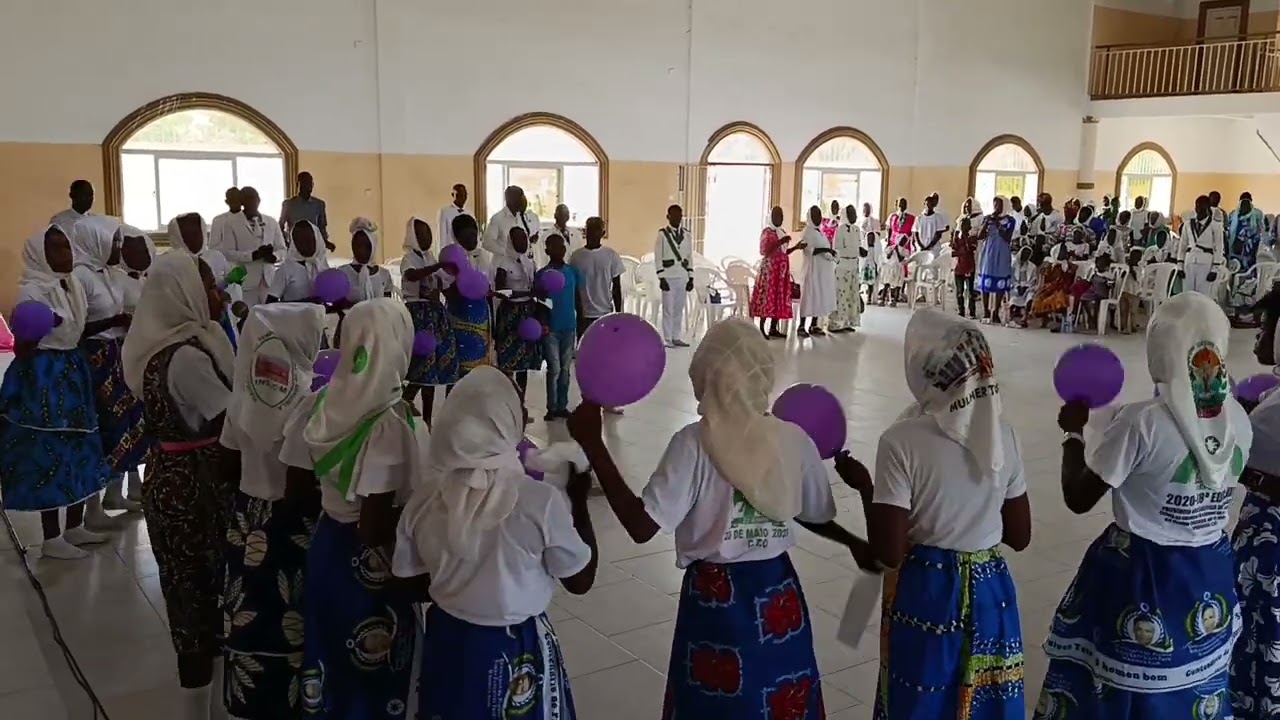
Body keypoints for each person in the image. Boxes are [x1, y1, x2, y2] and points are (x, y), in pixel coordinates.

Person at [566, 318, 876, 719]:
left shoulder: (693, 444)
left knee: (715, 702)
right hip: (776, 592)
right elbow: (808, 512)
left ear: (705, 376)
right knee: (782, 693)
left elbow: (642, 527)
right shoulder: (793, 440)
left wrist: (594, 445)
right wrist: (851, 540)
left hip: (715, 597)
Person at [1034, 292, 1250, 719]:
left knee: (1124, 692)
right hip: (1210, 570)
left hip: (1142, 575)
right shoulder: (1239, 420)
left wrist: (1073, 435)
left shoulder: (1142, 422)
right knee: (1192, 690)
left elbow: (1078, 497)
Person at [844, 309, 1030, 718]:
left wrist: (865, 489)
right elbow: (1019, 535)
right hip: (990, 590)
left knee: (922, 698)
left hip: (929, 591)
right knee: (985, 699)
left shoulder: (901, 440)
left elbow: (890, 553)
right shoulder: (1004, 434)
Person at [394, 366, 598, 719]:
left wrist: (462, 582)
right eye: (518, 409)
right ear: (503, 425)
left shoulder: (424, 501)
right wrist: (578, 500)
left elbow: (408, 581)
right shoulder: (540, 502)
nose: (526, 415)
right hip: (516, 649)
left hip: (448, 639)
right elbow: (580, 579)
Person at [280, 299, 422, 719]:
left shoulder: (320, 403)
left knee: (330, 660)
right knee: (376, 668)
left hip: (327, 549)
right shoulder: (389, 422)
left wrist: (335, 501)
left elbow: (295, 492)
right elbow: (373, 526)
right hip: (374, 565)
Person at [121, 252, 239, 720]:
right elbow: (231, 421)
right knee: (200, 603)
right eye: (207, 285)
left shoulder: (160, 346)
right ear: (184, 294)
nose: (217, 294)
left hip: (170, 478)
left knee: (193, 600)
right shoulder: (187, 357)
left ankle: (207, 706)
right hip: (197, 487)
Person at [219, 303, 326, 720]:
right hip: (292, 528)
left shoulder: (242, 398)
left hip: (248, 523)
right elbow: (303, 485)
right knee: (291, 623)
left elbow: (224, 467)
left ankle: (248, 704)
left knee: (249, 613)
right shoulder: (309, 402)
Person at [0, 225, 110, 559]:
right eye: (57, 249)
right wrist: (39, 327)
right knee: (51, 449)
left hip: (72, 366)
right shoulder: (32, 290)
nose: (66, 255)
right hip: (44, 373)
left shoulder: (72, 283)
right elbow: (24, 344)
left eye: (67, 247)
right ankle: (51, 537)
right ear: (39, 254)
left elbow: (78, 327)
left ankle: (75, 525)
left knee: (81, 444)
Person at [72, 216, 148, 517]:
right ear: (96, 242)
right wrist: (114, 322)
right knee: (103, 425)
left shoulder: (107, 273)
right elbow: (77, 325)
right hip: (94, 357)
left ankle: (115, 494)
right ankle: (93, 504)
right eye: (114, 242)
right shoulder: (82, 276)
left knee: (125, 422)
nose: (119, 248)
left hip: (115, 352)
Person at [1230, 287, 1280, 716]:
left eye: (1265, 330)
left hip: (1268, 548)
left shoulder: (1272, 412)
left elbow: (1228, 465)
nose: (1257, 340)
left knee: (1259, 639)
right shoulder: (1271, 400)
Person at [401, 216, 458, 423]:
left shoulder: (430, 257)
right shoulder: (409, 258)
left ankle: (426, 418)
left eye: (428, 233)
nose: (427, 237)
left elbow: (440, 283)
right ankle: (406, 396)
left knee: (432, 369)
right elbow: (413, 276)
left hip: (434, 313)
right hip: (418, 314)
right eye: (422, 233)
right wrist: (437, 267)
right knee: (422, 362)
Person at [493, 226, 544, 412]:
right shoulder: (503, 264)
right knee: (508, 361)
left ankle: (520, 405)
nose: (523, 242)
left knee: (524, 363)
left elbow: (536, 286)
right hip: (510, 314)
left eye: (525, 238)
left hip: (528, 312)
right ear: (511, 242)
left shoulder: (530, 263)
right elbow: (500, 291)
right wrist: (527, 292)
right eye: (519, 239)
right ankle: (507, 406)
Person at [210, 186, 287, 307]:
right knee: (247, 317)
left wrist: (274, 257)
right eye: (246, 199)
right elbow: (228, 253)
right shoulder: (231, 223)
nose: (251, 202)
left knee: (269, 315)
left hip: (269, 280)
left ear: (259, 200)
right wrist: (252, 255)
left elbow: (282, 249)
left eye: (253, 199)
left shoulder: (271, 222)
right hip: (245, 280)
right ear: (241, 202)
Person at [538, 233, 582, 420]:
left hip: (569, 326)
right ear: (547, 251)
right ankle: (551, 407)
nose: (560, 250)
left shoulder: (572, 272)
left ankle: (562, 406)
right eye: (555, 247)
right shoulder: (542, 275)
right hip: (551, 328)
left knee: (565, 368)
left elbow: (577, 298)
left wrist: (580, 323)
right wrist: (543, 323)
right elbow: (540, 302)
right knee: (554, 368)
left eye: (562, 246)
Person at [445, 213, 493, 380]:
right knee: (458, 365)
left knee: (479, 365)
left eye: (474, 235)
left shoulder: (485, 256)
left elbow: (488, 285)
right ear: (457, 238)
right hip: (460, 314)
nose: (472, 240)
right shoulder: (451, 258)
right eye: (466, 237)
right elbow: (446, 288)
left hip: (480, 314)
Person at [749, 206, 799, 339]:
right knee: (768, 298)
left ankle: (773, 328)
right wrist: (780, 242)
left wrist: (795, 247)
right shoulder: (767, 232)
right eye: (776, 216)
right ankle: (761, 328)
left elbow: (783, 252)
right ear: (771, 217)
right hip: (770, 271)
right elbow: (764, 251)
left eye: (781, 216)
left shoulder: (781, 231)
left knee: (778, 299)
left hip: (781, 272)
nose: (779, 219)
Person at [654, 204, 692, 348]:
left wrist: (691, 276)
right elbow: (658, 257)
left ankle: (676, 336)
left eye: (680, 215)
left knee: (679, 307)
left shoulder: (687, 235)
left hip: (682, 275)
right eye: (674, 215)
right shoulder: (663, 234)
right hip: (668, 276)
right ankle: (667, 337)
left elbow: (689, 257)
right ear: (668, 216)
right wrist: (661, 277)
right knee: (668, 308)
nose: (677, 218)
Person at [976, 196, 1017, 324]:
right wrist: (986, 223)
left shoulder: (1010, 220)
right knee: (986, 281)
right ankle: (986, 311)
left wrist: (998, 223)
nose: (996, 208)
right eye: (994, 205)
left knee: (1000, 281)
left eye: (998, 205)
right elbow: (980, 236)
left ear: (1004, 206)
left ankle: (995, 312)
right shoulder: (988, 218)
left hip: (1003, 252)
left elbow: (1007, 237)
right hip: (989, 251)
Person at [798, 205, 837, 337]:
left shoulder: (819, 232)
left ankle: (814, 324)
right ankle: (802, 326)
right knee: (808, 296)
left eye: (819, 215)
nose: (818, 218)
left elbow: (825, 248)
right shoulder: (807, 232)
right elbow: (810, 250)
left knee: (818, 296)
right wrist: (826, 251)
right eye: (815, 215)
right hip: (811, 270)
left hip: (821, 271)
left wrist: (831, 253)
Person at [266, 220, 327, 304]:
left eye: (308, 239)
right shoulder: (286, 269)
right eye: (298, 240)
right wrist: (303, 302)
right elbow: (270, 303)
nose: (304, 244)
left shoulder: (323, 267)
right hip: (291, 316)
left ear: (317, 239)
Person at [1177, 195, 1225, 296]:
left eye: (1202, 207)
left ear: (1208, 208)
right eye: (1197, 207)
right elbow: (1183, 245)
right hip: (1189, 261)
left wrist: (1215, 269)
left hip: (1206, 263)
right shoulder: (1188, 224)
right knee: (1187, 293)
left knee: (1203, 295)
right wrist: (1180, 265)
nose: (1199, 210)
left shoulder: (1215, 226)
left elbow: (1219, 247)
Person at [339, 218, 393, 302]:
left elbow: (387, 306)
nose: (360, 251)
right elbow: (337, 306)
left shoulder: (384, 274)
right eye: (357, 245)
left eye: (366, 246)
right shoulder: (343, 273)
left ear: (373, 247)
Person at [829, 204, 863, 333]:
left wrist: (860, 251)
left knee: (851, 294)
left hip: (854, 265)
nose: (855, 216)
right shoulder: (841, 229)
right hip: (843, 265)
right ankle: (836, 323)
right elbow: (837, 249)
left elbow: (858, 245)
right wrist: (851, 251)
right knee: (841, 295)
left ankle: (848, 321)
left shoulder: (856, 229)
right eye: (852, 214)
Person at [483, 185, 540, 258]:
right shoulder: (498, 219)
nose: (523, 201)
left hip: (521, 264)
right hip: (503, 265)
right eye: (520, 198)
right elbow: (487, 243)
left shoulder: (522, 217)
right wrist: (507, 252)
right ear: (511, 200)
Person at [1030, 244, 1078, 331]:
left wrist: (1066, 270)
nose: (1064, 253)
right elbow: (1044, 278)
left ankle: (1059, 322)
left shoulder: (1069, 265)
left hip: (1063, 289)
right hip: (1050, 288)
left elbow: (1070, 277)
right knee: (1039, 298)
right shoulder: (1050, 265)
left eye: (1065, 251)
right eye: (1062, 251)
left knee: (1058, 298)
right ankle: (1045, 319)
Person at [279, 171, 332, 249]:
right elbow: (280, 226)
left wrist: (325, 243)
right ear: (297, 184)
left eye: (310, 183)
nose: (307, 186)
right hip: (294, 247)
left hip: (314, 247)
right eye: (304, 182)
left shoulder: (319, 204)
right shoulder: (288, 204)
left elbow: (322, 227)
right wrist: (285, 243)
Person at [952, 208, 981, 319]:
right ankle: (961, 311)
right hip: (959, 267)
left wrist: (965, 239)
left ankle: (972, 312)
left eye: (967, 225)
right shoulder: (956, 238)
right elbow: (953, 252)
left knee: (970, 291)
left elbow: (971, 248)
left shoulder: (972, 238)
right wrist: (961, 250)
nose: (965, 227)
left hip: (969, 267)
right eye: (963, 224)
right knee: (959, 292)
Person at [1228, 192, 1265, 273]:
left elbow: (1261, 229)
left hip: (1251, 247)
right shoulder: (1234, 214)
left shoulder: (1257, 214)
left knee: (1250, 267)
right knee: (1236, 268)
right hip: (1238, 246)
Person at [1007, 246, 1039, 328]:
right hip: (1015, 286)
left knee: (1030, 297)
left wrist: (1026, 287)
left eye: (1028, 255)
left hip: (1027, 287)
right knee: (1013, 297)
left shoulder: (1032, 267)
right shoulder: (1013, 264)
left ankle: (1025, 317)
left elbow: (1034, 280)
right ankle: (1010, 316)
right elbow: (1011, 278)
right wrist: (1017, 286)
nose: (1025, 256)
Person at [209, 188, 243, 255]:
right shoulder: (218, 220)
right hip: (227, 262)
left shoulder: (250, 220)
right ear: (226, 201)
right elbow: (213, 247)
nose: (235, 201)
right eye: (232, 199)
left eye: (237, 198)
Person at [437, 183, 468, 248]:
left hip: (466, 253)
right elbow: (442, 236)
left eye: (464, 195)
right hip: (451, 252)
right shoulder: (444, 212)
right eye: (459, 195)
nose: (462, 197)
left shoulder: (470, 213)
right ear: (453, 195)